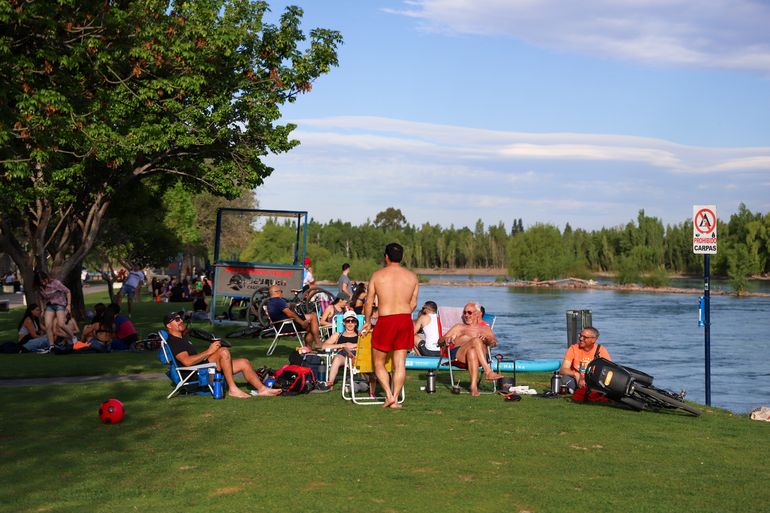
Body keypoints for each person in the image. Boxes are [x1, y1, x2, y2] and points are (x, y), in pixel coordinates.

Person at [163, 311, 280, 398]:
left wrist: (211, 351)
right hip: (196, 375)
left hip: (202, 368)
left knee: (244, 362)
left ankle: (262, 389)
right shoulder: (174, 342)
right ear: (169, 325)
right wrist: (209, 351)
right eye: (177, 319)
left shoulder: (182, 338)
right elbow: (187, 362)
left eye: (180, 318)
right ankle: (233, 389)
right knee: (223, 351)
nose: (181, 320)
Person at [362, 242, 418, 408]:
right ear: (402, 257)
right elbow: (414, 303)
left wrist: (366, 321)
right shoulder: (412, 277)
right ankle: (395, 396)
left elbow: (369, 301)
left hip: (386, 320)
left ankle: (388, 395)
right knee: (400, 363)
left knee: (378, 362)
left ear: (386, 257)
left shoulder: (378, 276)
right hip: (404, 319)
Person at [438, 302, 503, 396]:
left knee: (472, 351)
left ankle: (473, 386)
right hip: (459, 355)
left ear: (477, 314)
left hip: (480, 357)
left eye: (469, 312)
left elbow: (494, 343)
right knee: (476, 340)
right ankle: (488, 371)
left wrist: (487, 340)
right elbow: (440, 341)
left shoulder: (485, 328)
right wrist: (445, 339)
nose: (466, 315)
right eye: (464, 313)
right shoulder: (459, 327)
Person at [265, 284, 322, 349]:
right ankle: (318, 342)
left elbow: (285, 311)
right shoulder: (278, 301)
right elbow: (290, 314)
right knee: (313, 317)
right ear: (276, 292)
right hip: (286, 326)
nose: (281, 293)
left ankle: (308, 349)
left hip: (280, 326)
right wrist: (302, 322)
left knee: (310, 325)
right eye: (281, 291)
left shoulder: (270, 302)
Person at [321, 310, 366, 389]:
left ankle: (368, 380)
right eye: (348, 321)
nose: (350, 323)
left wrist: (354, 345)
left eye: (353, 321)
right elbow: (324, 346)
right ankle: (330, 382)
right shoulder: (338, 334)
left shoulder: (361, 334)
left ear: (356, 323)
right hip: (343, 355)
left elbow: (367, 346)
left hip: (358, 356)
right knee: (337, 359)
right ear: (344, 323)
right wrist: (343, 345)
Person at [559, 326, 611, 393]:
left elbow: (609, 371)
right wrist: (577, 375)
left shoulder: (601, 350)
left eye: (585, 337)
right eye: (580, 335)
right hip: (576, 380)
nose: (581, 338)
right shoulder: (573, 349)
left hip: (593, 381)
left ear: (594, 340)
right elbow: (563, 370)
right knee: (564, 379)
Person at [34, 271, 77, 348]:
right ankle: (51, 345)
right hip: (50, 305)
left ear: (46, 278)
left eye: (44, 281)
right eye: (41, 282)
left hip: (60, 304)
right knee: (48, 326)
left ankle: (73, 337)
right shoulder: (40, 287)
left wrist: (69, 305)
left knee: (61, 324)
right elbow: (41, 298)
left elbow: (68, 291)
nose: (43, 283)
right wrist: (43, 310)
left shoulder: (55, 283)